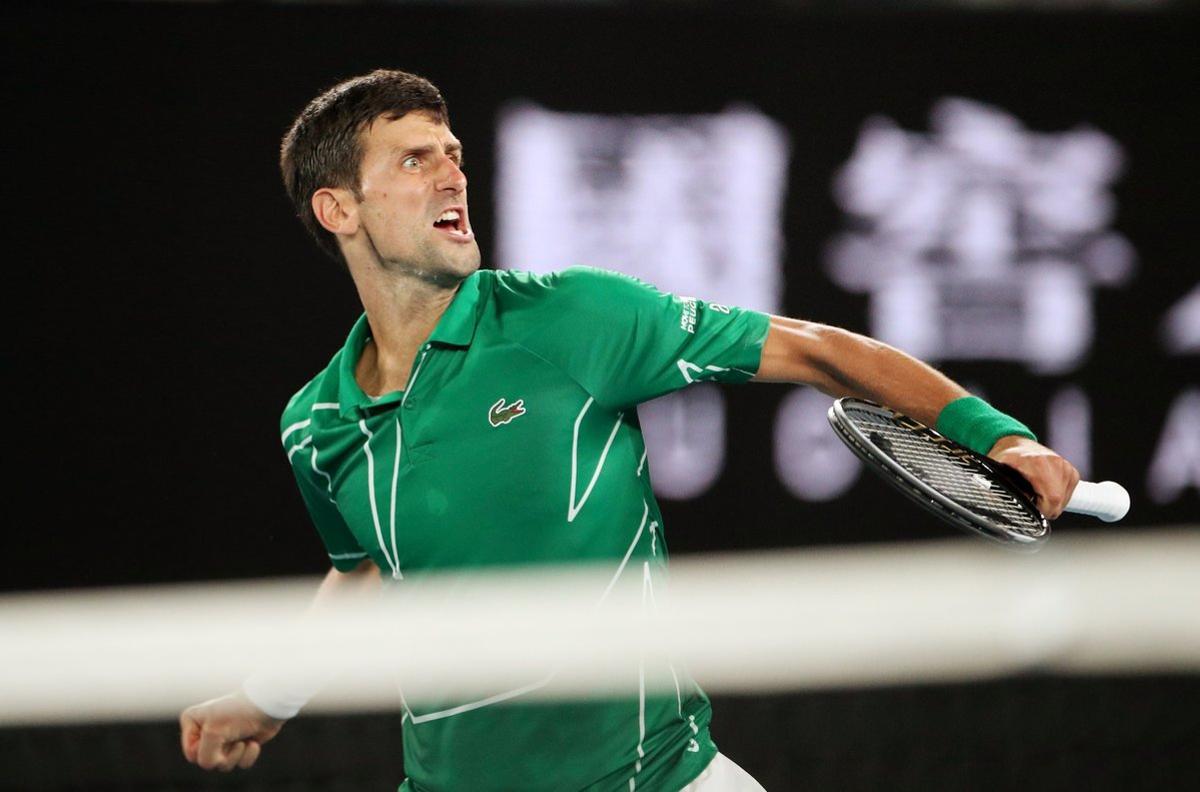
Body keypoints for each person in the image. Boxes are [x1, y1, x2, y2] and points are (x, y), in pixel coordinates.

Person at [179, 69, 1080, 791]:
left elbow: (816, 351)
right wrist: (267, 698)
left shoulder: (573, 320)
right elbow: (371, 571)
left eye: (452, 152)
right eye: (415, 160)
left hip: (660, 778)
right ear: (340, 210)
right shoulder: (316, 424)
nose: (453, 174)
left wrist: (998, 437)